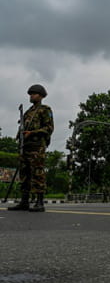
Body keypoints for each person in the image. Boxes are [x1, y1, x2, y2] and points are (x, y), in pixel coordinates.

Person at [8, 84, 54, 212]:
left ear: (40, 96)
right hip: (25, 146)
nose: (31, 96)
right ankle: (24, 201)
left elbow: (49, 128)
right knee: (24, 174)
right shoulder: (28, 112)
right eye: (30, 94)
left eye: (34, 93)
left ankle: (40, 202)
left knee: (38, 173)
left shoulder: (45, 110)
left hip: (37, 147)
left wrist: (32, 133)